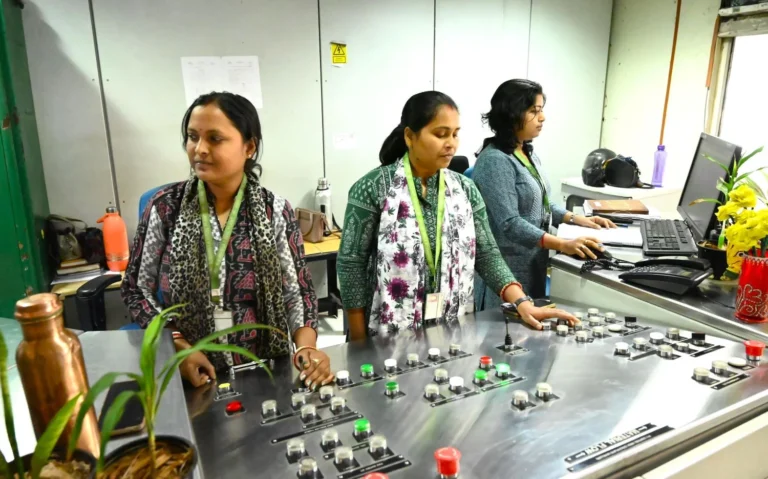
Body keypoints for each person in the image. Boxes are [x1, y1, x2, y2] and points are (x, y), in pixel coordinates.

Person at [122, 92, 332, 390]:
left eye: (215, 139)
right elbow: (136, 289)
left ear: (249, 146)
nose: (199, 149)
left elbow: (297, 294)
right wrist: (179, 345)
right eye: (192, 137)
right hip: (192, 373)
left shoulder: (274, 211)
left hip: (265, 369)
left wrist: (306, 347)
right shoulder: (165, 208)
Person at [337, 91, 578, 339]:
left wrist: (523, 303)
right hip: (384, 331)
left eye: (455, 133)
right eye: (440, 134)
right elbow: (351, 264)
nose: (451, 143)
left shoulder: (464, 189)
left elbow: (487, 254)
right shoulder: (374, 188)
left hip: (448, 326)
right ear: (410, 136)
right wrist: (357, 340)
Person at [472, 79, 616, 309]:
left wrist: (578, 219)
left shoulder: (526, 151)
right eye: (534, 111)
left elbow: (542, 204)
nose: (542, 117)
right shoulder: (495, 161)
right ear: (512, 114)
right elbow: (510, 223)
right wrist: (562, 243)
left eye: (541, 110)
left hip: (532, 265)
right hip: (506, 273)